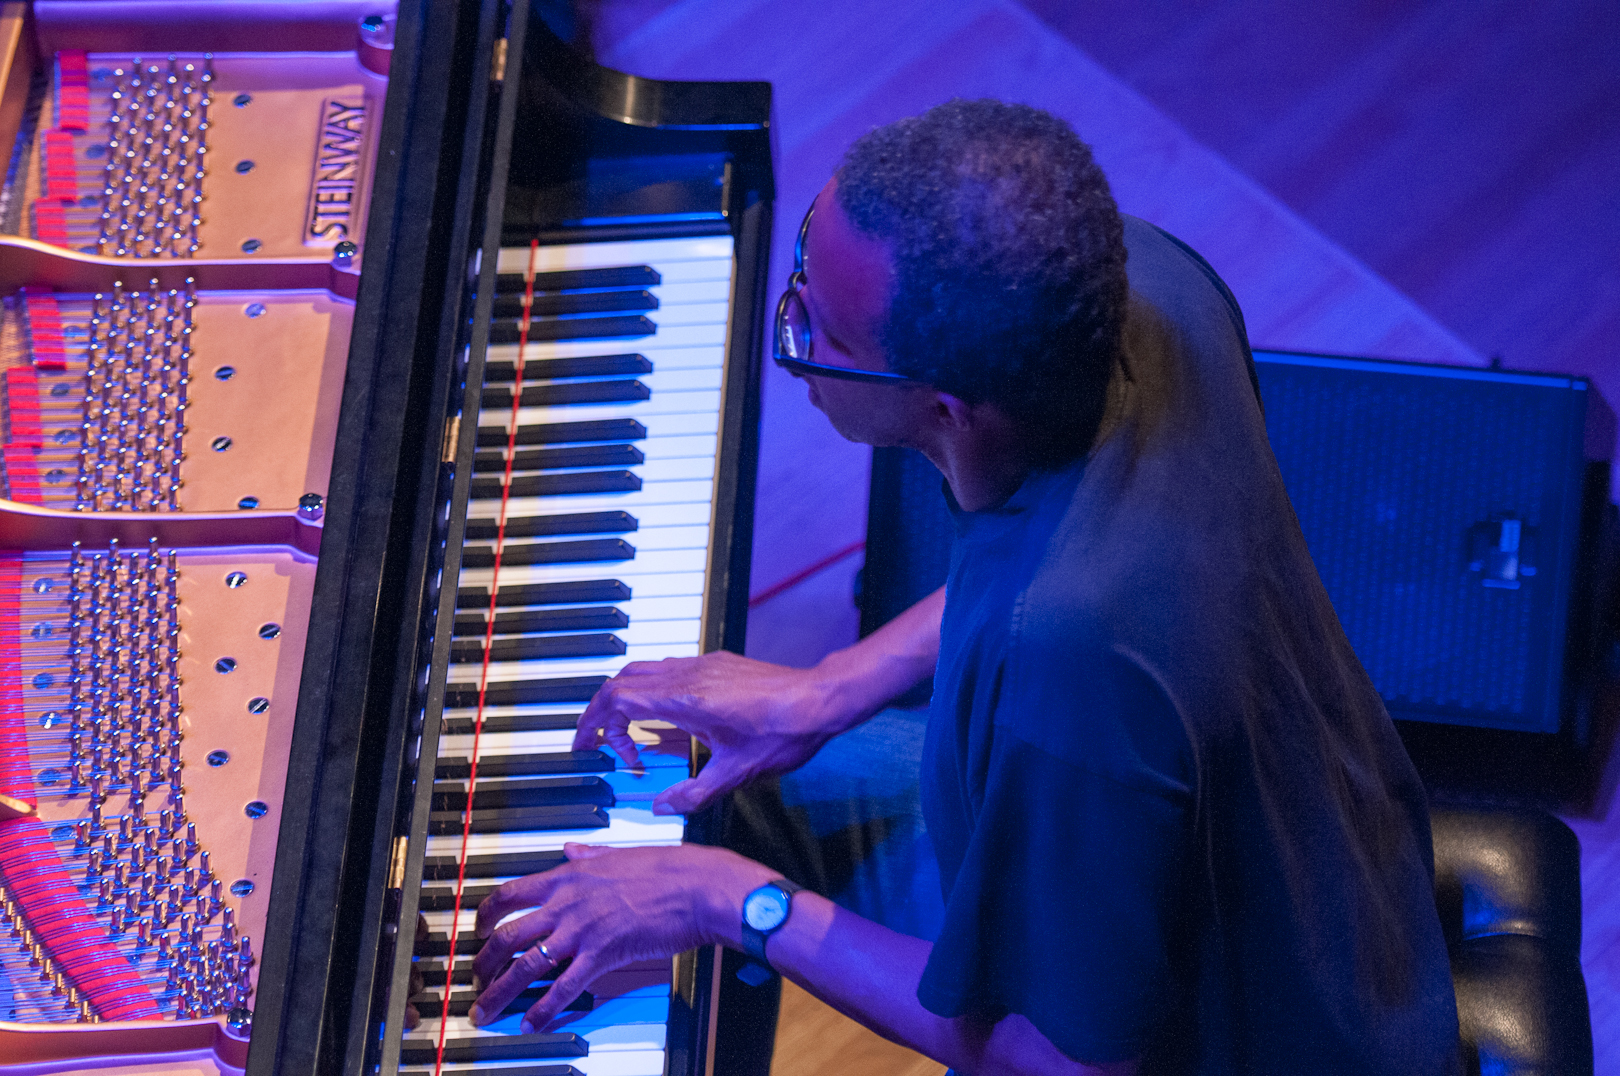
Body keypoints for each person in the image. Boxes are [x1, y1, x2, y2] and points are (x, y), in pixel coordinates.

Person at [467, 99, 1461, 1074]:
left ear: (943, 409)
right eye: (807, 256)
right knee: (691, 795)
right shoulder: (1151, 286)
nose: (799, 325)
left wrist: (732, 899)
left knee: (707, 860)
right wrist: (826, 688)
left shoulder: (1073, 675)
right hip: (1281, 839)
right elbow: (1052, 580)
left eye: (819, 330)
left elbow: (1066, 1057)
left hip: (1226, 1024)